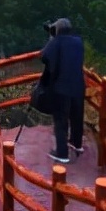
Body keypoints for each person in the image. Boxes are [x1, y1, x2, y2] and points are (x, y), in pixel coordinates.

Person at [40, 17, 85, 163]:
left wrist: (52, 39)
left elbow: (45, 57)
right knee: (77, 117)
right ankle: (76, 144)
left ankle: (62, 153)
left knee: (61, 120)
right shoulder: (78, 42)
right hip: (78, 86)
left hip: (62, 88)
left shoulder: (57, 42)